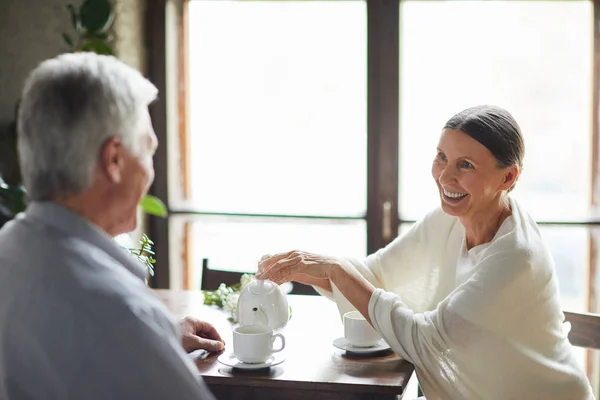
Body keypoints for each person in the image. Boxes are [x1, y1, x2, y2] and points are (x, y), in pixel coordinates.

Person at [257, 105, 594, 399]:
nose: (444, 176)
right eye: (441, 157)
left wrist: (335, 270)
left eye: (465, 165)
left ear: (508, 176)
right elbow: (376, 276)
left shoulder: (516, 258)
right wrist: (302, 268)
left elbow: (427, 340)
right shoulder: (450, 219)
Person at [0, 53, 222, 399]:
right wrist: (143, 338)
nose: (151, 172)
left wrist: (156, 340)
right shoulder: (121, 317)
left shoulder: (8, 250)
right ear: (114, 160)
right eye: (148, 151)